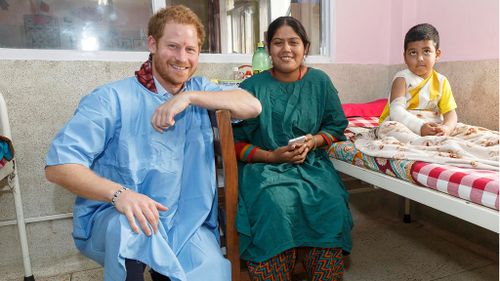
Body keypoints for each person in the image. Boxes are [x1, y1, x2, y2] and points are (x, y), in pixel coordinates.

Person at [45, 5, 261, 281]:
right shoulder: (111, 99)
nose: (182, 58)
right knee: (130, 231)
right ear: (152, 43)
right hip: (120, 216)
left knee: (214, 271)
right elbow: (59, 166)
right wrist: (119, 194)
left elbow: (252, 106)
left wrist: (189, 98)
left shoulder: (201, 91)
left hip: (185, 223)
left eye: (190, 49)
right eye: (173, 46)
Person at [232, 16, 353, 281]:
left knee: (330, 202)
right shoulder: (251, 87)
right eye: (278, 42)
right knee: (274, 205)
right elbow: (233, 141)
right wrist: (270, 156)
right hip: (263, 168)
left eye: (293, 42)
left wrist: (313, 141)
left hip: (312, 166)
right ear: (268, 47)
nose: (286, 49)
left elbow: (336, 127)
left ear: (305, 47)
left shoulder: (319, 82)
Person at [379, 23, 458, 136]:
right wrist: (420, 127)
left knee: (464, 129)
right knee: (390, 128)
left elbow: (450, 114)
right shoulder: (401, 79)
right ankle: (420, 142)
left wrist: (446, 128)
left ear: (437, 54)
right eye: (413, 53)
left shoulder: (441, 81)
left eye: (426, 51)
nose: (420, 58)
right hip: (405, 125)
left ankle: (433, 139)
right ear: (405, 57)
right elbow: (396, 111)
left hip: (432, 125)